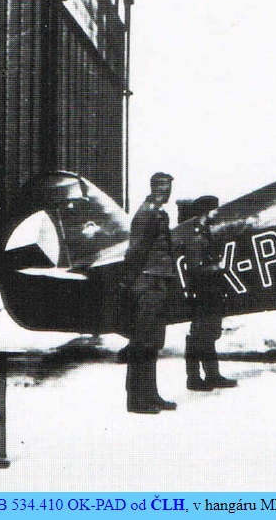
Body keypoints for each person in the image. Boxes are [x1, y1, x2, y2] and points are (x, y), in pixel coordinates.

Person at [123, 172, 178, 414]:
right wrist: (132, 281)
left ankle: (151, 394)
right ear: (155, 188)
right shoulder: (145, 214)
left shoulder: (159, 214)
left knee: (153, 343)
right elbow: (135, 251)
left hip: (158, 283)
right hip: (147, 283)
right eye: (164, 188)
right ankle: (136, 400)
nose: (167, 192)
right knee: (141, 342)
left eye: (169, 188)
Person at [179, 196, 237, 391]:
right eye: (214, 209)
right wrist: (217, 268)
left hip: (211, 291)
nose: (217, 212)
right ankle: (194, 378)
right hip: (203, 292)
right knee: (199, 336)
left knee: (209, 334)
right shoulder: (196, 237)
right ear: (206, 212)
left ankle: (212, 375)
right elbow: (194, 269)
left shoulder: (205, 233)